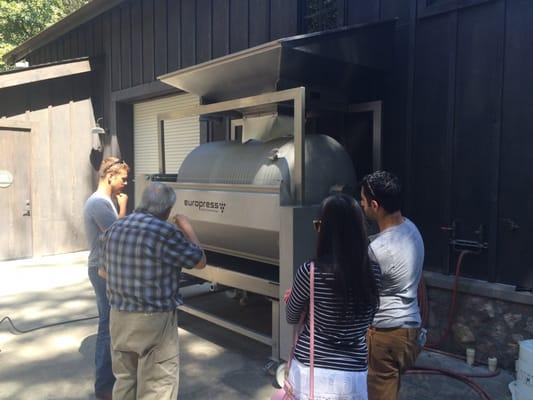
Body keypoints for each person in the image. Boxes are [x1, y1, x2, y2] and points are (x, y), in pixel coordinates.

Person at [99, 182, 206, 400]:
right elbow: (200, 261)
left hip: (119, 318)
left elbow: (102, 272)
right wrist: (187, 228)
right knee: (157, 387)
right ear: (167, 210)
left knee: (125, 381)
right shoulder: (166, 232)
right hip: (154, 322)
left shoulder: (115, 228)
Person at [285, 194, 380, 400]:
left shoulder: (310, 272)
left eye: (318, 225)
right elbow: (368, 319)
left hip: (311, 371)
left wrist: (301, 301)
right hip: (354, 373)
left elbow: (291, 317)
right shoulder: (373, 272)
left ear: (325, 230)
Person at [359, 171, 425, 400]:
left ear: (375, 205)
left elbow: (364, 294)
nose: (361, 205)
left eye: (363, 201)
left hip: (385, 334)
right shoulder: (412, 230)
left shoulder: (378, 250)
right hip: (411, 330)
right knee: (391, 387)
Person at [83, 156, 130, 400]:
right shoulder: (100, 203)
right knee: (107, 327)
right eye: (123, 179)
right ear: (110, 176)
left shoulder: (102, 201)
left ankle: (108, 382)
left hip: (103, 269)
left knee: (110, 325)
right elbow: (118, 236)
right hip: (101, 271)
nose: (125, 184)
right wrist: (123, 208)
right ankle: (103, 387)